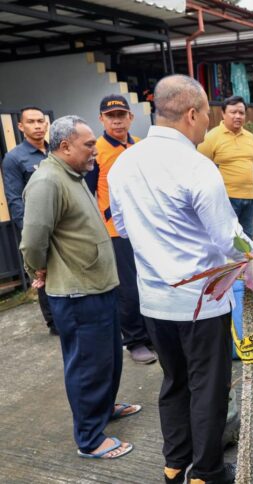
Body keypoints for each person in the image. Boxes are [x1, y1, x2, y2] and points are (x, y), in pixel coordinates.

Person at [108, 75, 253, 484]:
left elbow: (120, 224)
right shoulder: (197, 167)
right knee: (208, 386)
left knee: (175, 382)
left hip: (154, 299)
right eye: (207, 113)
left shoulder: (125, 164)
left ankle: (175, 465)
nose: (208, 121)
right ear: (192, 114)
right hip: (201, 300)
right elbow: (228, 239)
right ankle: (206, 472)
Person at [20, 115, 139, 460]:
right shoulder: (47, 182)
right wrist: (37, 269)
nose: (95, 152)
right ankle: (89, 438)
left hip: (97, 286)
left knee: (108, 358)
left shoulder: (71, 174)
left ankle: (103, 409)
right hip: (77, 293)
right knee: (87, 365)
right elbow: (32, 241)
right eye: (89, 145)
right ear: (65, 145)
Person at [84, 94, 157, 365]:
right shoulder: (97, 150)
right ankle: (135, 340)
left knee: (149, 282)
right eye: (111, 116)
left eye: (121, 115)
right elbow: (88, 191)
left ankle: (152, 335)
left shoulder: (139, 146)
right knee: (128, 289)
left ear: (131, 117)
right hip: (116, 231)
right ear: (101, 119)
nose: (117, 121)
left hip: (146, 228)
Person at [2, 106, 56, 334]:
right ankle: (54, 322)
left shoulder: (55, 150)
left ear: (46, 124)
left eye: (40, 121)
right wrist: (30, 232)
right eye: (31, 122)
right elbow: (15, 199)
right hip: (37, 227)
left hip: (61, 224)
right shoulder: (14, 158)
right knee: (44, 272)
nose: (37, 126)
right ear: (21, 126)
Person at [197, 95, 253, 240]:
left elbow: (251, 164)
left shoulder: (250, 137)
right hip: (226, 199)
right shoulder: (211, 137)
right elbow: (200, 168)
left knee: (248, 238)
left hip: (250, 197)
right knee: (227, 239)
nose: (238, 116)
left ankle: (247, 264)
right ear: (223, 113)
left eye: (241, 113)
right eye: (233, 112)